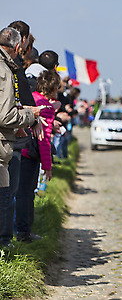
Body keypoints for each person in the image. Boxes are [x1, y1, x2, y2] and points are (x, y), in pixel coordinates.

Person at [0, 27, 39, 247]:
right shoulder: (5, 70)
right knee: (6, 195)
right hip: (3, 143)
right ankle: (4, 244)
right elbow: (5, 117)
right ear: (17, 47)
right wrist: (29, 115)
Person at [17, 70, 61, 242]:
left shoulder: (31, 98)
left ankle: (16, 230)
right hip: (31, 155)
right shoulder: (46, 107)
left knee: (16, 193)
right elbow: (44, 139)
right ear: (53, 89)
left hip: (20, 149)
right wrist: (47, 167)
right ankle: (24, 232)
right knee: (27, 195)